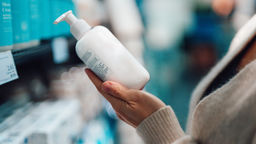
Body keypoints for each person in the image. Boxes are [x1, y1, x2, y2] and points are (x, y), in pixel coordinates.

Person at [85, 14, 256, 144]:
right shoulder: (250, 30)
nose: (202, 56)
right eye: (198, 50)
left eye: (207, 50)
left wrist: (157, 125)